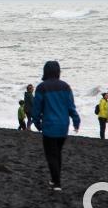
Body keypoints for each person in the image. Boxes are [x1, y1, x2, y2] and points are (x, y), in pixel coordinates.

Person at [31, 61, 80, 192]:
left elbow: (36, 108)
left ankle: (57, 183)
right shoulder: (65, 87)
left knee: (51, 155)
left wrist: (37, 123)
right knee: (57, 153)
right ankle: (54, 179)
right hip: (63, 126)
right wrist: (76, 121)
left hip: (49, 126)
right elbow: (71, 107)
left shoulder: (42, 87)